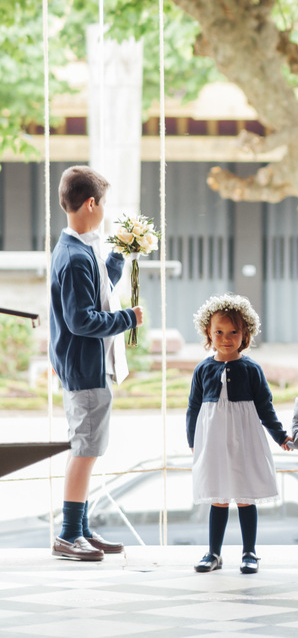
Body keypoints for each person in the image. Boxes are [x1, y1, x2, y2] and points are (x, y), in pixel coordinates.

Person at [48, 166, 144, 561]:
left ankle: (81, 527)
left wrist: (122, 254)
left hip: (88, 365)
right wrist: (129, 319)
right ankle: (69, 534)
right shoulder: (73, 256)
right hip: (84, 367)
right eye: (103, 203)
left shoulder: (82, 247)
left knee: (89, 447)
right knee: (85, 449)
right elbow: (81, 320)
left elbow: (100, 284)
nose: (104, 210)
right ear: (91, 203)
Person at [186, 294, 290, 574]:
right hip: (213, 441)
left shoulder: (252, 370)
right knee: (218, 496)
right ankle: (213, 553)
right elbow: (194, 407)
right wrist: (192, 440)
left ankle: (250, 552)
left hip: (244, 440)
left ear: (245, 334)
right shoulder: (203, 369)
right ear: (208, 332)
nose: (226, 338)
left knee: (245, 495)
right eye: (219, 332)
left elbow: (265, 406)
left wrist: (280, 436)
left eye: (234, 332)